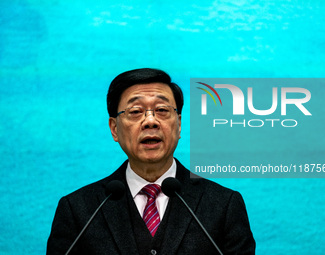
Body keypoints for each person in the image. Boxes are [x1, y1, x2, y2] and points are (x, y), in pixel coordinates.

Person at [47, 68, 255, 255]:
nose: (150, 121)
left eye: (162, 110)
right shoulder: (79, 210)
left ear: (179, 124)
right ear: (114, 128)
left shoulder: (224, 205)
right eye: (136, 112)